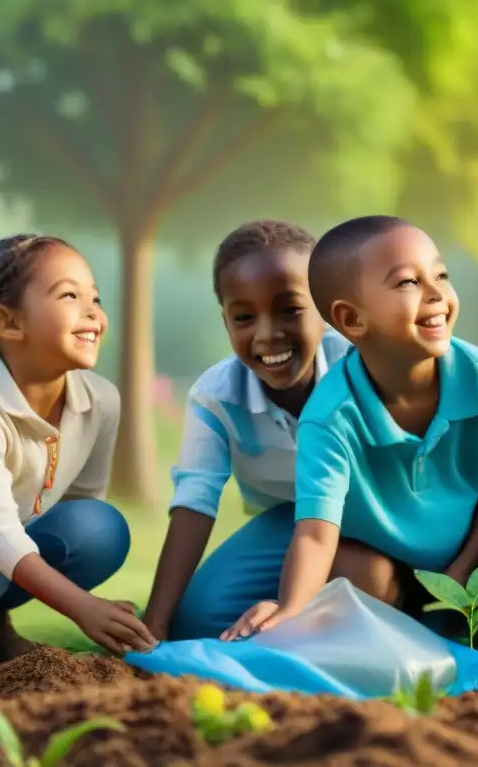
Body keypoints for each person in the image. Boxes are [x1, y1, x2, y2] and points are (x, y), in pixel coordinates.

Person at [221, 215, 478, 640]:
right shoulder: (330, 415)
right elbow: (316, 534)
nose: (436, 294)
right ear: (352, 320)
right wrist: (292, 609)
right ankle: (412, 620)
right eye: (408, 283)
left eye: (441, 275)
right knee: (352, 573)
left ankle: (461, 619)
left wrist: (465, 567)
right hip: (389, 559)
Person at [0, 235, 156, 680]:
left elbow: (80, 503)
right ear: (9, 322)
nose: (93, 311)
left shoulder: (101, 401)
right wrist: (81, 606)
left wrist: (81, 596)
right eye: (70, 296)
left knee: (100, 528)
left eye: (95, 297)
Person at [142, 220, 353, 641]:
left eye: (290, 309)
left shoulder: (362, 368)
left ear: (327, 311)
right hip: (291, 521)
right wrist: (156, 623)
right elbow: (195, 501)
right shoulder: (216, 397)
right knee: (197, 620)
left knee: (364, 580)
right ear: (226, 323)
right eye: (243, 317)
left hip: (377, 512)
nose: (267, 335)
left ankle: (407, 615)